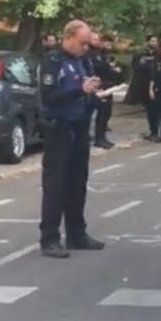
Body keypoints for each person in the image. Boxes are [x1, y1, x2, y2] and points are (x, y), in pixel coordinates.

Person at [38, 20, 105, 258]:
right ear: (69, 38)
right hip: (60, 130)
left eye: (88, 43)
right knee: (56, 186)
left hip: (79, 128)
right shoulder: (53, 62)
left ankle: (77, 234)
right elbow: (50, 96)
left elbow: (83, 91)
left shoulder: (81, 61)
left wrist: (95, 95)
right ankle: (50, 238)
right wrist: (80, 90)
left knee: (78, 184)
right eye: (82, 43)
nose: (86, 47)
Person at [88, 32, 123, 149]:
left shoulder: (102, 54)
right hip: (98, 86)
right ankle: (98, 138)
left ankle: (102, 136)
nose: (97, 41)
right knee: (100, 113)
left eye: (98, 39)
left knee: (105, 113)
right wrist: (110, 68)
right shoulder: (90, 54)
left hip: (107, 85)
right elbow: (99, 68)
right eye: (95, 39)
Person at [129, 35, 161, 140]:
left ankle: (156, 132)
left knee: (155, 110)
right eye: (152, 40)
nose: (154, 42)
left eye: (155, 40)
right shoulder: (141, 54)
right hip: (144, 86)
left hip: (156, 85)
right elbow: (135, 66)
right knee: (150, 110)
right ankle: (153, 131)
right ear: (147, 42)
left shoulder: (159, 55)